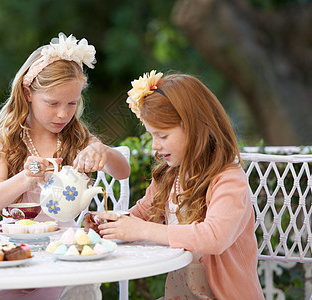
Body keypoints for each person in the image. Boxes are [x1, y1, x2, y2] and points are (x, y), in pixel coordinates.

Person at [0, 33, 130, 300]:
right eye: (53, 103)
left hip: (65, 250)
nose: (63, 114)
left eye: (72, 103)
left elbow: (123, 171)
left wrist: (102, 151)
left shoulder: (78, 139)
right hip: (14, 249)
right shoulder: (5, 140)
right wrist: (27, 176)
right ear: (28, 93)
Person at [90, 71, 264, 299]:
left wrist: (142, 230)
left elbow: (214, 237)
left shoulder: (228, 178)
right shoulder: (170, 176)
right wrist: (110, 225)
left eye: (162, 136)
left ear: (195, 128)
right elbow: (141, 215)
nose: (155, 146)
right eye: (151, 135)